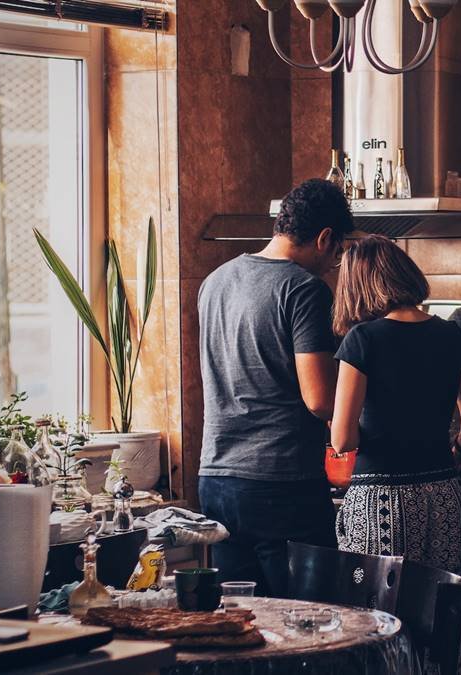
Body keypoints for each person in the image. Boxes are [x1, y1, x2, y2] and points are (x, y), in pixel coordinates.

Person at [196, 179, 353, 597]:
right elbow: (320, 400)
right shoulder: (303, 289)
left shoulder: (215, 282)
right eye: (337, 254)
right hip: (280, 483)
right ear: (325, 239)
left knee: (244, 623)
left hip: (216, 478)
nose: (332, 264)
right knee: (314, 623)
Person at [329, 235, 461, 576]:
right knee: (442, 609)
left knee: (377, 617)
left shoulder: (363, 339)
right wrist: (460, 450)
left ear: (358, 286)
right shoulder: (451, 334)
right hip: (443, 493)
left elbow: (342, 440)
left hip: (380, 501)